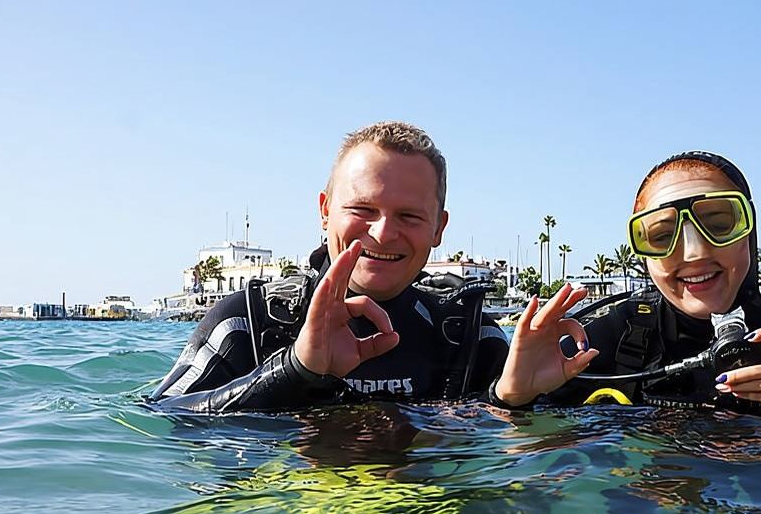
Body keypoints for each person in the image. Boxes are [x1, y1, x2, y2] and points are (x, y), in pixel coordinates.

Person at [491, 151, 761, 420]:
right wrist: (511, 398)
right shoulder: (611, 340)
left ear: (750, 232)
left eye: (719, 223)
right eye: (662, 236)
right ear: (642, 252)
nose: (694, 252)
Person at [152, 121, 508, 412]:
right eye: (362, 210)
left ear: (438, 229)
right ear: (325, 211)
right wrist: (295, 369)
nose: (383, 233)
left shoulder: (470, 337)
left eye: (409, 216)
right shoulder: (247, 323)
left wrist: (517, 400)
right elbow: (166, 419)